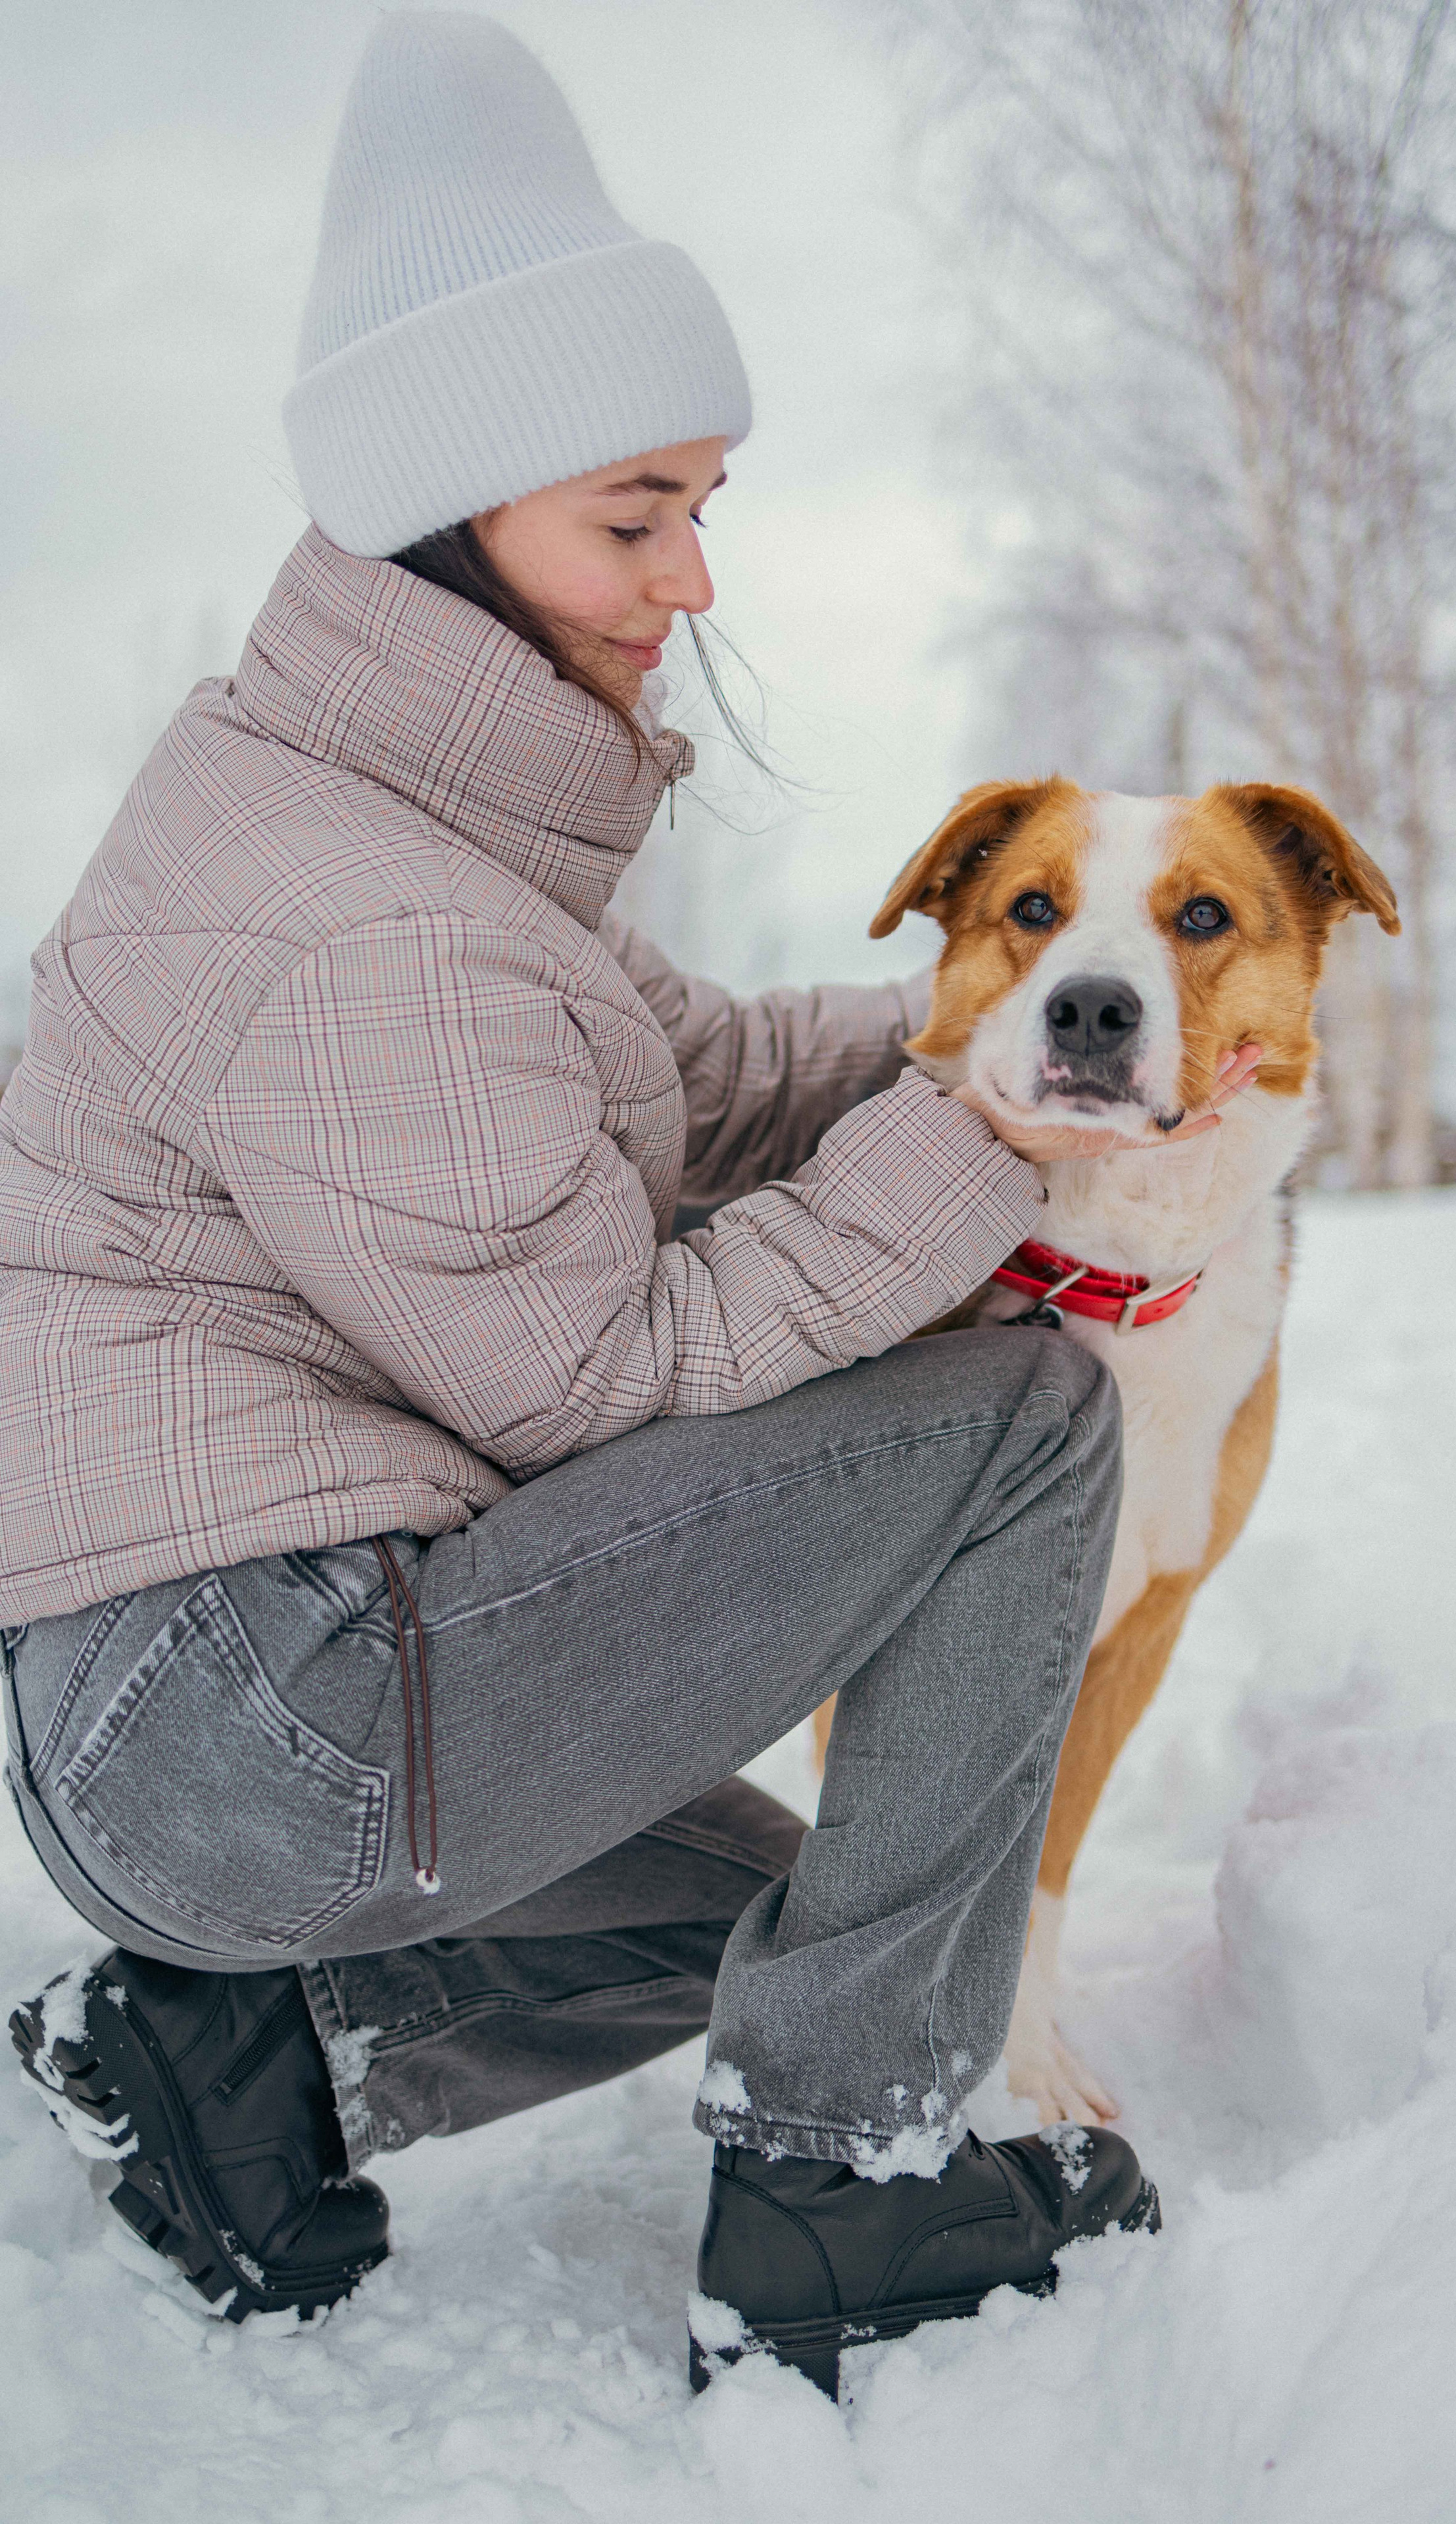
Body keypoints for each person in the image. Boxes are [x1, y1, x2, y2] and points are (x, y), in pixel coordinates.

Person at [0, 15, 1218, 2395]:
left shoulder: (391, 808)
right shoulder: (376, 920)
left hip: (207, 1708)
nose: (694, 575)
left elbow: (688, 1078)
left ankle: (238, 2079)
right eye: (634, 513)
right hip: (259, 1706)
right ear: (453, 510)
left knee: (847, 1899)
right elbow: (592, 1383)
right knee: (1023, 1414)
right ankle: (844, 2196)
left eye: (704, 500)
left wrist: (984, 1026)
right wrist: (974, 1158)